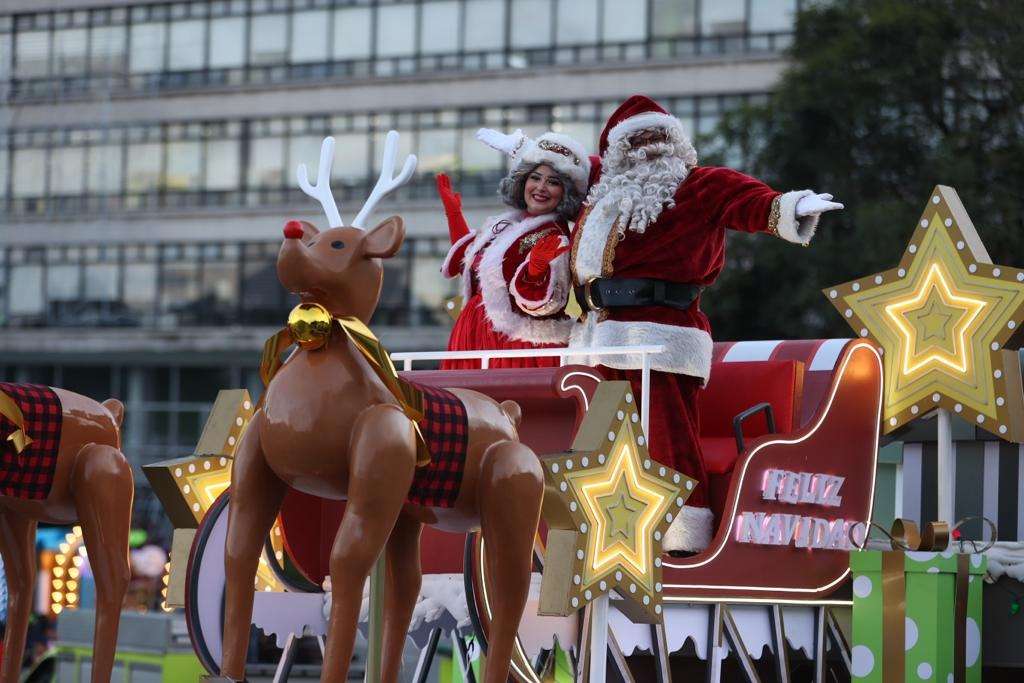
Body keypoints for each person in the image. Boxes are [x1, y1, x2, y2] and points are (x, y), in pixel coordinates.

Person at [518, 95, 843, 553]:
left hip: (660, 337)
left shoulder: (696, 185)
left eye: (659, 138)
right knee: (597, 446)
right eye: (636, 140)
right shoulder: (602, 193)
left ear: (676, 144)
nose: (649, 147)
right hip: (597, 337)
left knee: (667, 439)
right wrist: (530, 152)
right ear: (617, 151)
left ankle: (684, 542)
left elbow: (746, 199)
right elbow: (564, 168)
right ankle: (600, 546)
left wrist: (793, 208)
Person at [436, 130, 591, 369]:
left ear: (565, 193)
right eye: (535, 178)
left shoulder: (554, 236)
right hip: (474, 335)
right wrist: (454, 213)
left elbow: (546, 304)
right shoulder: (505, 225)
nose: (541, 187)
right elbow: (469, 263)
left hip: (516, 348)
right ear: (522, 181)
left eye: (553, 182)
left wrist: (536, 270)